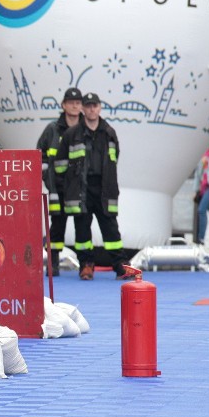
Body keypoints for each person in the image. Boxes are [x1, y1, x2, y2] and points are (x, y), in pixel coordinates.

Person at [56, 92, 130, 280]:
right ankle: (86, 265)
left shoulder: (109, 132)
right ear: (83, 109)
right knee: (82, 230)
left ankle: (120, 266)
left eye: (94, 106)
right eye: (88, 106)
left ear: (99, 108)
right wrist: (67, 188)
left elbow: (115, 159)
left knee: (111, 229)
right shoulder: (71, 135)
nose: (91, 109)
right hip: (81, 189)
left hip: (104, 188)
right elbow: (60, 165)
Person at [37, 87, 83, 276]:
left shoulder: (86, 128)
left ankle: (86, 265)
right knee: (57, 226)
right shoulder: (52, 130)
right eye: (71, 102)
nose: (74, 106)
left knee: (83, 226)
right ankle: (53, 263)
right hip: (58, 187)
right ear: (63, 105)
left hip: (80, 188)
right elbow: (40, 157)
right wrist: (49, 180)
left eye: (78, 103)